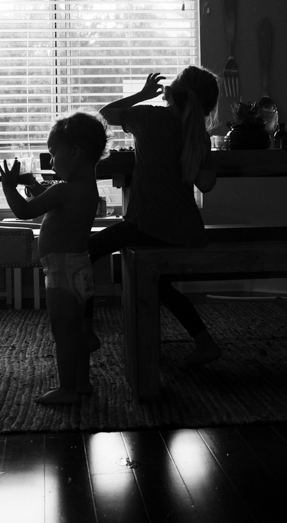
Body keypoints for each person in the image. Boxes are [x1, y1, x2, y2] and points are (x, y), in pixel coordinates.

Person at [86, 66, 222, 367]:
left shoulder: (149, 118)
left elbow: (104, 115)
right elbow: (207, 184)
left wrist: (143, 94)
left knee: (84, 253)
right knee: (161, 286)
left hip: (147, 226)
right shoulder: (197, 133)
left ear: (171, 92)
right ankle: (204, 342)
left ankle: (85, 330)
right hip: (184, 231)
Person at [0, 111, 110, 405]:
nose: (51, 161)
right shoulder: (86, 189)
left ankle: (67, 390)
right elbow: (54, 204)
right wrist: (34, 186)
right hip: (82, 270)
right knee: (80, 332)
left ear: (74, 152)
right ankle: (83, 382)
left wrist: (9, 187)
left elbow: (24, 212)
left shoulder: (63, 190)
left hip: (60, 273)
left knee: (63, 333)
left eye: (53, 153)